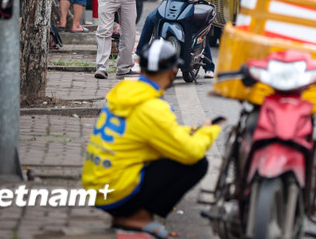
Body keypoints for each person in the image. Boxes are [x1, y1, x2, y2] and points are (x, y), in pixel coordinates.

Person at [81, 39, 222, 238]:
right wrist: (209, 131)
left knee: (168, 151)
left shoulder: (123, 92)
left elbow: (159, 134)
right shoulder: (152, 107)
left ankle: (123, 215)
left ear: (142, 68)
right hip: (115, 192)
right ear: (173, 72)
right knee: (197, 164)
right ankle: (138, 217)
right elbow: (191, 152)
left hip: (96, 186)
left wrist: (189, 131)